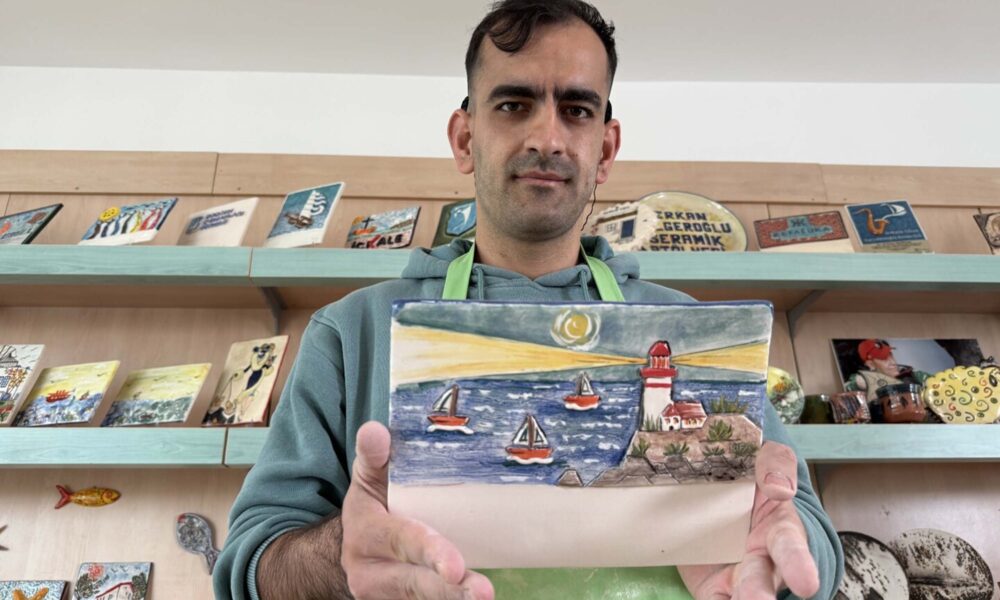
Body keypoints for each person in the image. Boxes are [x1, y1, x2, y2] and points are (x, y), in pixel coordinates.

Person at [214, 1, 844, 598]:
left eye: (576, 109)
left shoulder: (697, 329)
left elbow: (808, 540)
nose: (548, 136)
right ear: (465, 139)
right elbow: (248, 570)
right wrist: (343, 554)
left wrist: (776, 560)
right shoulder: (351, 330)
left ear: (605, 149)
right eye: (514, 104)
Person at [844, 339, 930, 402]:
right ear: (870, 365)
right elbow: (851, 385)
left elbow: (936, 382)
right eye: (883, 358)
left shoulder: (918, 376)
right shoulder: (862, 382)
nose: (892, 361)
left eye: (890, 355)